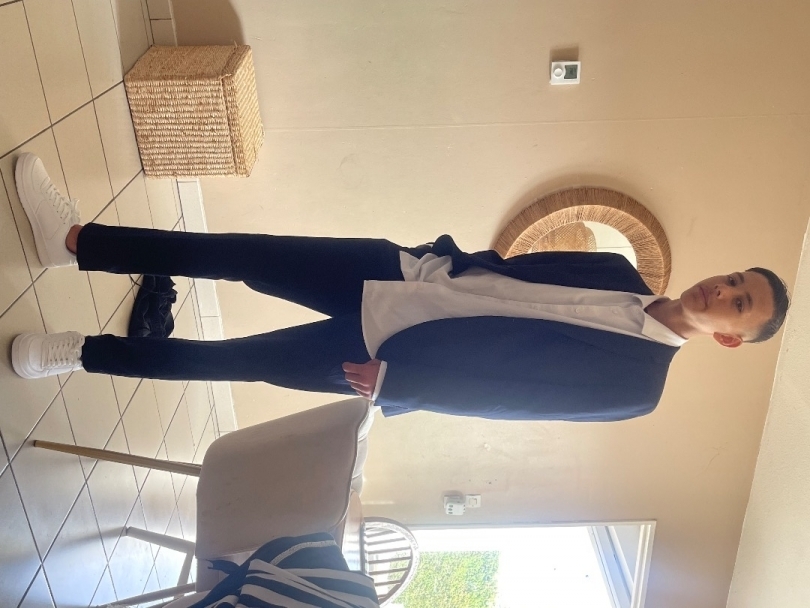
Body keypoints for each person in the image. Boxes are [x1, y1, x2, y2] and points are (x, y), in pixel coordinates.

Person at [10, 154, 790, 421]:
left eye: (739, 304)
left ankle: (79, 353)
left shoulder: (638, 386)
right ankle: (76, 243)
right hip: (399, 270)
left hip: (389, 355)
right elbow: (509, 275)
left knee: (231, 361)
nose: (722, 292)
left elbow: (516, 401)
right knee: (240, 251)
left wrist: (402, 389)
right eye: (734, 280)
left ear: (730, 337)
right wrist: (434, 255)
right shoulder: (619, 272)